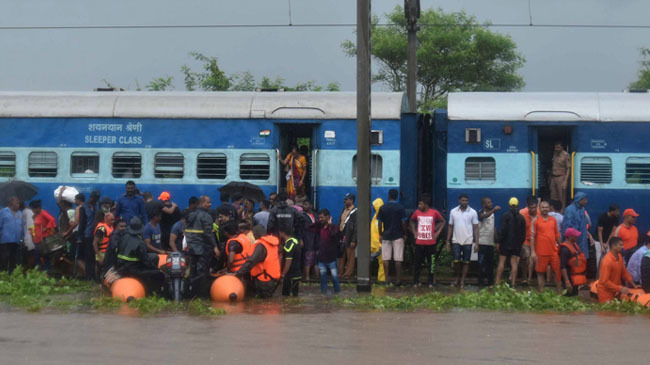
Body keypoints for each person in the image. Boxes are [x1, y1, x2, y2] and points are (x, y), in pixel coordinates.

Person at [115, 217, 164, 295]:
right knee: (158, 274)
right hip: (132, 270)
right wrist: (156, 269)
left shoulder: (124, 237)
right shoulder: (140, 243)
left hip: (120, 267)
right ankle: (152, 293)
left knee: (154, 256)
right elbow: (145, 260)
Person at [185, 196, 220, 297]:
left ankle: (190, 294)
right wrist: (215, 247)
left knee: (192, 271)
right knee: (202, 272)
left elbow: (186, 231)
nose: (210, 204)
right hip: (202, 249)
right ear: (201, 203)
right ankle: (201, 295)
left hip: (191, 248)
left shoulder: (190, 215)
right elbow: (208, 234)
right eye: (208, 203)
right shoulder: (206, 216)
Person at [234, 225, 281, 298]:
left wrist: (238, 273)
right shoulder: (272, 244)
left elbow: (251, 261)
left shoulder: (261, 246)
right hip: (271, 280)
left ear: (256, 234)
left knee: (261, 303)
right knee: (267, 304)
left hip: (263, 280)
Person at [410, 194, 445, 287]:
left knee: (431, 263)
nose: (419, 206)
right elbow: (411, 221)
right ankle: (416, 281)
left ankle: (430, 281)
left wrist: (437, 232)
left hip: (431, 242)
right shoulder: (416, 212)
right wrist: (414, 232)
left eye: (420, 204)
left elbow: (443, 221)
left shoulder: (434, 212)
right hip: (419, 242)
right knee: (417, 262)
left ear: (426, 205)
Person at [446, 193, 478, 289]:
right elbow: (450, 226)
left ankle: (462, 281)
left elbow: (476, 228)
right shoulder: (453, 211)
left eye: (466, 201)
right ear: (459, 201)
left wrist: (476, 243)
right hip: (456, 239)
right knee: (456, 261)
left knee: (466, 262)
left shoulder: (473, 212)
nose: (464, 202)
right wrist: (448, 240)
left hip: (468, 240)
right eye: (463, 200)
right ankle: (456, 278)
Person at [530, 201, 562, 293]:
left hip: (553, 251)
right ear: (539, 209)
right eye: (543, 207)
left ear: (549, 208)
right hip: (541, 252)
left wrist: (562, 246)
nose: (545, 209)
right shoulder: (535, 221)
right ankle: (541, 294)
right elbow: (532, 236)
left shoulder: (553, 220)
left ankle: (560, 294)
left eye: (546, 207)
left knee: (557, 273)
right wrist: (533, 252)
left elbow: (557, 235)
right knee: (540, 273)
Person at [378, 189, 407, 285]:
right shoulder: (400, 208)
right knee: (398, 259)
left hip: (386, 235)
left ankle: (387, 279)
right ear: (397, 196)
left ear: (389, 196)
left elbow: (379, 222)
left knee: (386, 258)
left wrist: (381, 233)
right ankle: (398, 280)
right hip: (398, 235)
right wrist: (404, 233)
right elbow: (403, 222)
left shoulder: (383, 208)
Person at [495, 198, 527, 287]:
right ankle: (513, 283)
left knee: (502, 262)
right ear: (518, 205)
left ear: (509, 206)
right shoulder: (521, 218)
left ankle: (497, 282)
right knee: (514, 263)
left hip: (505, 243)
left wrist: (498, 242)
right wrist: (520, 243)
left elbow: (501, 230)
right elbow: (523, 233)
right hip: (516, 244)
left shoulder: (505, 216)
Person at [596, 237, 639, 303]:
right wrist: (620, 289)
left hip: (615, 290)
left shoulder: (619, 257)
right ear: (613, 246)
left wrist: (634, 285)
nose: (622, 247)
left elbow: (624, 273)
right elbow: (604, 282)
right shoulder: (607, 261)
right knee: (607, 312)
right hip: (605, 292)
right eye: (620, 245)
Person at [310, 209, 341, 294]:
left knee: (335, 277)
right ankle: (323, 293)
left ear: (328, 217)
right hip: (322, 258)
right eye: (319, 218)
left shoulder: (334, 227)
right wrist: (318, 222)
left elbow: (334, 235)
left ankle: (337, 293)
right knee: (323, 278)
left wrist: (330, 225)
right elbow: (310, 227)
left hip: (332, 258)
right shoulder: (319, 228)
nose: (320, 219)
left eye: (322, 217)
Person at [478, 197, 500, 287]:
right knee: (481, 263)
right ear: (484, 205)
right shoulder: (480, 212)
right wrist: (494, 210)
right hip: (482, 242)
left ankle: (490, 282)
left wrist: (497, 241)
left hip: (490, 242)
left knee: (490, 264)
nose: (491, 204)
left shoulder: (492, 214)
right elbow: (482, 217)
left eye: (491, 202)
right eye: (489, 202)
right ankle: (481, 282)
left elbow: (493, 227)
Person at [561, 192, 591, 260]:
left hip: (582, 237)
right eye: (584, 200)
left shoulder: (582, 209)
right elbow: (567, 226)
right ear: (579, 200)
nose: (586, 201)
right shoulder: (569, 210)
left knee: (581, 257)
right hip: (573, 239)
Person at [559, 227, 587, 296]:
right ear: (569, 237)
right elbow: (563, 266)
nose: (577, 236)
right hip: (569, 278)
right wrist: (567, 282)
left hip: (575, 278)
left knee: (575, 295)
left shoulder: (574, 245)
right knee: (568, 297)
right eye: (575, 235)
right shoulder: (564, 249)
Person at [30, 200, 57, 271]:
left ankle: (45, 271)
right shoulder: (37, 215)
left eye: (33, 209)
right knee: (39, 256)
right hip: (38, 239)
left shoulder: (43, 213)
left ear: (37, 208)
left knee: (42, 256)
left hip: (43, 239)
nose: (32, 211)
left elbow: (52, 219)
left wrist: (47, 228)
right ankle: (44, 271)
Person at [519, 196, 540, 285]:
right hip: (526, 240)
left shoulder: (540, 214)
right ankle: (524, 277)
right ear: (528, 207)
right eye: (531, 208)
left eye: (534, 208)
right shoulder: (522, 214)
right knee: (525, 257)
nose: (533, 210)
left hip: (537, 241)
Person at [0, 197, 23, 272]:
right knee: (4, 259)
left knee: (14, 259)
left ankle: (12, 276)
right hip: (6, 240)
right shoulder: (3, 212)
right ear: (11, 203)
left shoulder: (20, 213)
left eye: (19, 203)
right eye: (16, 202)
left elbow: (21, 226)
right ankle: (3, 276)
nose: (18, 204)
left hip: (16, 241)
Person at [338, 193, 357, 279]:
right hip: (342, 235)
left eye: (346, 199)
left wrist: (354, 240)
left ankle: (348, 273)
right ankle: (340, 272)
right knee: (341, 255)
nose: (344, 201)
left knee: (350, 256)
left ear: (351, 200)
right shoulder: (344, 210)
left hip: (349, 236)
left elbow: (356, 227)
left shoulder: (355, 211)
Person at [82, 190, 100, 280]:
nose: (97, 200)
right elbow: (82, 223)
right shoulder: (84, 207)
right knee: (88, 256)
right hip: (88, 234)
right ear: (91, 198)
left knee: (95, 256)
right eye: (95, 198)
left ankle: (95, 275)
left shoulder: (97, 206)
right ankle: (89, 276)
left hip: (96, 234)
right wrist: (80, 237)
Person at [280, 227, 302, 297]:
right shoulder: (295, 241)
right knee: (294, 297)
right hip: (296, 274)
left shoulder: (289, 245)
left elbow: (288, 261)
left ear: (283, 233)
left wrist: (283, 274)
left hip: (290, 276)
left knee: (286, 297)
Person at [301, 200, 319, 281]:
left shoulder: (316, 215)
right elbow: (300, 229)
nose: (304, 206)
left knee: (316, 258)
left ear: (311, 206)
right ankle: (307, 276)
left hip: (316, 239)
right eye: (303, 204)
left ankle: (317, 276)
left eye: (306, 204)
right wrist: (301, 239)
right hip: (307, 238)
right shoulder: (302, 216)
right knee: (308, 257)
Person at [550, 141, 571, 210]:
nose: (556, 149)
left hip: (561, 177)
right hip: (554, 177)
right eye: (555, 147)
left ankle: (562, 211)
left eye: (558, 147)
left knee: (562, 197)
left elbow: (568, 168)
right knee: (553, 196)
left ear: (562, 147)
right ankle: (555, 211)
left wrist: (565, 181)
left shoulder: (566, 155)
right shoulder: (554, 154)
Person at [370, 198, 386, 283]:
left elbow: (381, 233)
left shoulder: (381, 219)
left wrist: (380, 245)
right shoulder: (375, 216)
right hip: (373, 244)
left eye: (374, 206)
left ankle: (382, 279)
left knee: (382, 263)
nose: (372, 207)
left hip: (379, 245)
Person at [20, 201, 36, 268]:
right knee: (30, 254)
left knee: (29, 255)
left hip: (29, 236)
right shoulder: (29, 211)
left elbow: (30, 227)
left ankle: (30, 269)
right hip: (31, 236)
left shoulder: (25, 213)